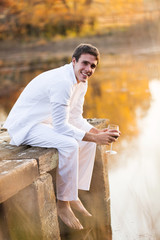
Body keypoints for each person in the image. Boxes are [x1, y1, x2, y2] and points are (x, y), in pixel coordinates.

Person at [4, 43, 120, 230]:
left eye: (93, 66)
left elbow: (74, 117)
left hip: (45, 122)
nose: (88, 69)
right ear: (74, 61)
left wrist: (96, 133)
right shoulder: (62, 82)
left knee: (88, 139)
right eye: (85, 63)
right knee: (70, 144)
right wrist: (93, 137)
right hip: (26, 126)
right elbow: (60, 126)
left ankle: (73, 196)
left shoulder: (81, 82)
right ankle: (63, 204)